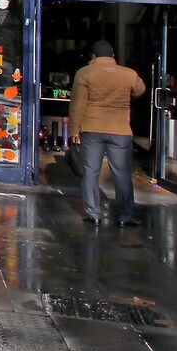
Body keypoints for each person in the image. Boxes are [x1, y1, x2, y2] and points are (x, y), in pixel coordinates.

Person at [70, 39, 147, 227]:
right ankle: (125, 216)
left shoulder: (85, 73)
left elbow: (78, 105)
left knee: (90, 172)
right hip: (120, 129)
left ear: (93, 56)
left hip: (92, 128)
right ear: (113, 56)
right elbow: (140, 90)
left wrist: (74, 130)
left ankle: (94, 214)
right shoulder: (128, 74)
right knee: (121, 173)